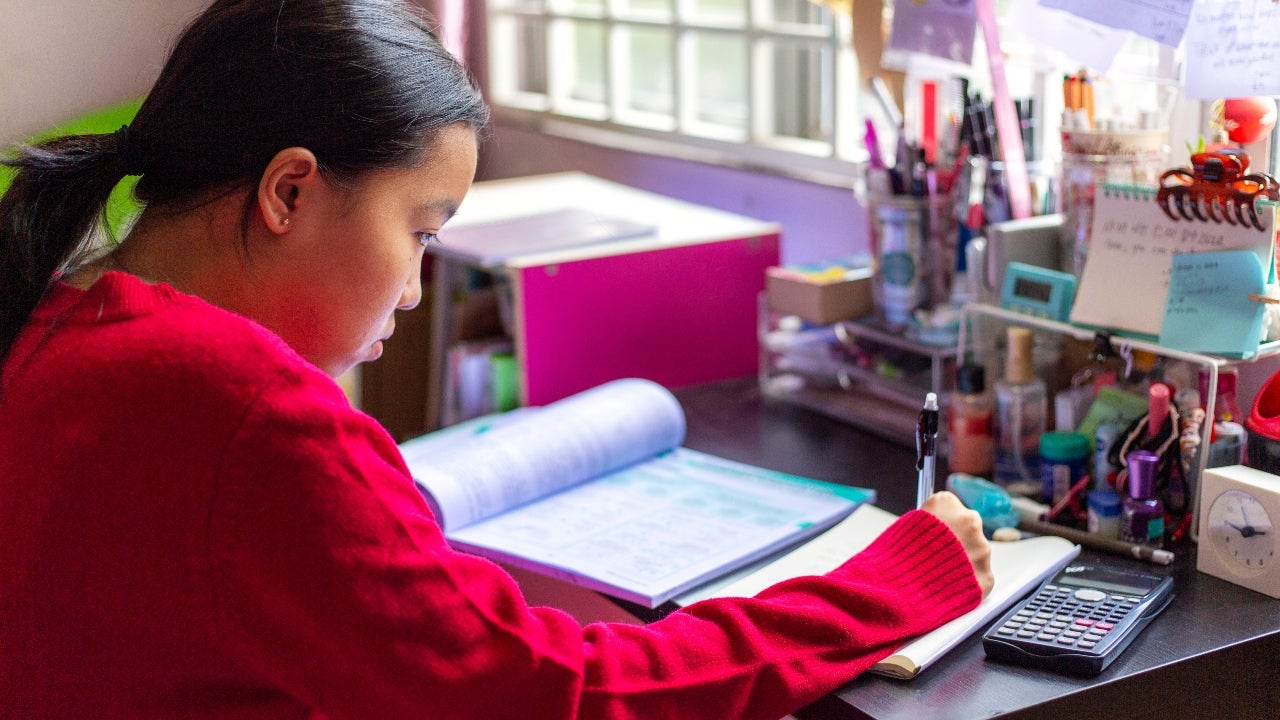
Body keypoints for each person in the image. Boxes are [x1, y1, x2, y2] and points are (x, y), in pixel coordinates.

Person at [0, 0, 993, 717]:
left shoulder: (56, 318)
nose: (412, 289)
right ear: (289, 193)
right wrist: (887, 584)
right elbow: (558, 695)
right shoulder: (244, 409)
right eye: (421, 232)